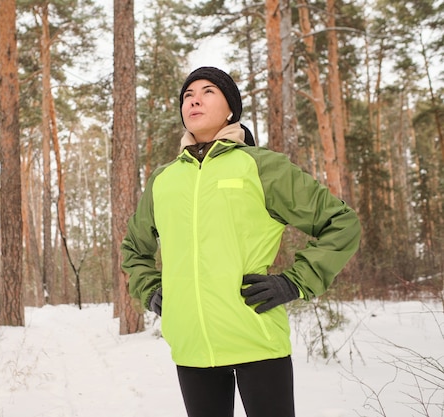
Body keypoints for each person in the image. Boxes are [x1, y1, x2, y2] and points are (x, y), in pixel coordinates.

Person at [120, 66, 361, 417]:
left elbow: (341, 222)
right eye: (188, 96)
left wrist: (294, 283)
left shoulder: (261, 166)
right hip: (192, 348)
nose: (194, 100)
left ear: (231, 108)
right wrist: (151, 290)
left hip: (257, 340)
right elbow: (134, 248)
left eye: (207, 92)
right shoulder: (164, 179)